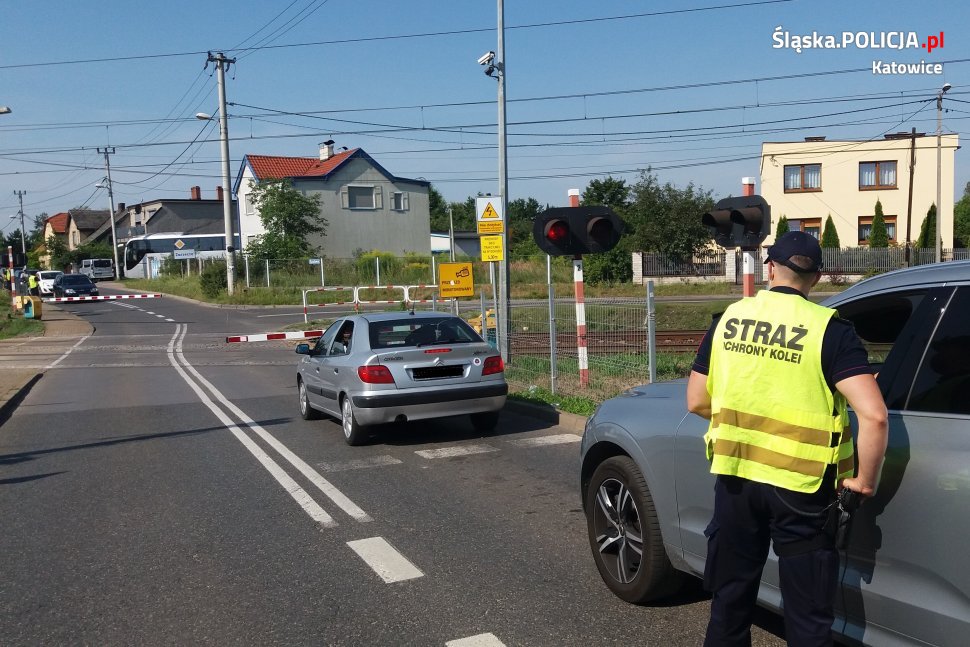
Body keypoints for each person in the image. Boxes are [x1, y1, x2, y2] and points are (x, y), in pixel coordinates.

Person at [686, 231, 889, 647]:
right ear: (816, 278)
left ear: (770, 268)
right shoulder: (829, 330)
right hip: (802, 490)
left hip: (736, 479)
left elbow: (696, 400)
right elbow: (874, 415)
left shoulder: (728, 318)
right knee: (808, 617)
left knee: (729, 601)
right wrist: (865, 482)